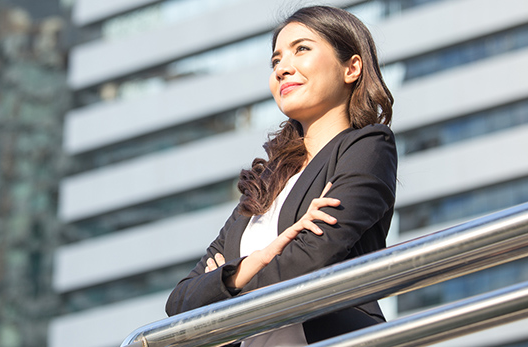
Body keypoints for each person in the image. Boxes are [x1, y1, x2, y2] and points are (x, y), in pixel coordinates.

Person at [165, 5, 397, 346]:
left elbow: (312, 257)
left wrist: (226, 282)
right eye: (275, 61)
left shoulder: (367, 146)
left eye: (301, 49)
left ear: (352, 67)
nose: (282, 69)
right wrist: (256, 260)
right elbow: (180, 300)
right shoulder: (267, 184)